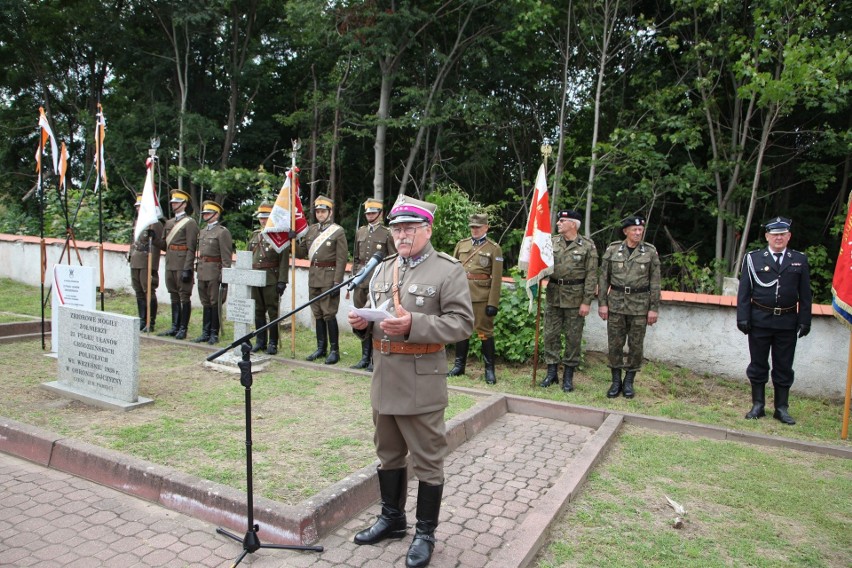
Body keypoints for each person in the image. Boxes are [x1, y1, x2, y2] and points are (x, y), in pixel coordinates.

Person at [347, 195, 473, 568]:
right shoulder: (385, 268)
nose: (401, 236)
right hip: (385, 378)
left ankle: (425, 534)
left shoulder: (447, 270)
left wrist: (415, 324)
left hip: (421, 380)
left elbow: (462, 323)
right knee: (387, 453)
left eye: (409, 229)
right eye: (397, 229)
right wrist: (362, 326)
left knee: (428, 460)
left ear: (427, 230)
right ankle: (393, 519)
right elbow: (378, 317)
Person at [736, 216, 812, 425]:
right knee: (758, 364)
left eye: (782, 235)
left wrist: (805, 320)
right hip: (759, 320)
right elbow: (744, 291)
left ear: (789, 236)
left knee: (784, 366)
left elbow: (805, 294)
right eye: (774, 235)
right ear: (767, 236)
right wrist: (743, 317)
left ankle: (781, 408)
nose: (778, 238)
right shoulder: (754, 259)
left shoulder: (799, 259)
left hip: (787, 322)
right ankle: (758, 405)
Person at [598, 215, 661, 399]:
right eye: (634, 230)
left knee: (636, 346)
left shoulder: (649, 252)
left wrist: (653, 308)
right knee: (615, 344)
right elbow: (603, 279)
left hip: (640, 306)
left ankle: (629, 381)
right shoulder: (613, 250)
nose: (638, 233)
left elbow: (655, 282)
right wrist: (603, 303)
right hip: (616, 304)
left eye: (640, 230)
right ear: (626, 231)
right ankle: (616, 380)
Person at [540, 210, 598, 392]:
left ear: (573, 224)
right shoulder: (551, 242)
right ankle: (551, 373)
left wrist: (587, 301)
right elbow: (541, 264)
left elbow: (591, 276)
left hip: (575, 297)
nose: (558, 223)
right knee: (550, 335)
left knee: (573, 338)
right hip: (554, 294)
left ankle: (568, 377)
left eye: (562, 220)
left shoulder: (587, 246)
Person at [447, 213, 503, 384]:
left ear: (486, 227)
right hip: (461, 295)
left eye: (478, 227)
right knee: (461, 330)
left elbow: (497, 277)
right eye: (472, 227)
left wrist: (493, 302)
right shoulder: (461, 244)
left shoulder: (494, 248)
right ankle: (459, 366)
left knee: (484, 333)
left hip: (481, 297)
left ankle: (489, 370)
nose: (475, 230)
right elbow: (452, 271)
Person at [296, 194, 348, 364]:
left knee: (329, 314)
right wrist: (293, 239)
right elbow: (302, 253)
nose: (320, 214)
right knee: (317, 313)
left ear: (330, 212)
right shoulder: (311, 230)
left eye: (323, 211)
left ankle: (334, 350)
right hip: (314, 277)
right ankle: (321, 348)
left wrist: (337, 282)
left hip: (329, 277)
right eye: (317, 211)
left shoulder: (337, 231)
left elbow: (341, 259)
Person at [350, 198, 396, 371]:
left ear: (380, 213)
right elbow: (356, 257)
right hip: (361, 281)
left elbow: (393, 259)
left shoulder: (387, 233)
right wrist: (355, 275)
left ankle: (374, 359)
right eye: (367, 213)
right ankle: (364, 357)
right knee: (361, 318)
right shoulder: (360, 232)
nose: (369, 215)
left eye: (373, 212)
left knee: (375, 320)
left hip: (378, 283)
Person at [156, 189, 199, 340]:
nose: (174, 205)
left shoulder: (190, 223)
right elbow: (164, 246)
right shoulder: (168, 223)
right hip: (170, 263)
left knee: (184, 296)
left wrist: (188, 268)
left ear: (184, 204)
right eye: (173, 202)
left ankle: (183, 328)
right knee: (173, 296)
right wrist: (154, 238)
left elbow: (191, 247)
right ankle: (174, 326)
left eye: (177, 202)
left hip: (182, 264)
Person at [248, 202, 289, 355]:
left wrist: (282, 280)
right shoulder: (255, 235)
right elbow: (248, 256)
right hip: (255, 278)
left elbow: (284, 260)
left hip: (271, 279)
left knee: (272, 312)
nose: (263, 221)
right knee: (258, 311)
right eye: (261, 218)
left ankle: (272, 343)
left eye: (266, 217)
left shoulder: (278, 236)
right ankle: (260, 341)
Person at [192, 200, 233, 345]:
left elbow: (226, 256)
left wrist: (225, 275)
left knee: (215, 302)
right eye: (204, 213)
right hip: (202, 270)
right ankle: (205, 332)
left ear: (216, 215)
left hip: (215, 271)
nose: (205, 215)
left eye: (208, 213)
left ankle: (214, 333)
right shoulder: (203, 232)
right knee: (205, 302)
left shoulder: (222, 232)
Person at [129, 194, 164, 333]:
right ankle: (142, 320)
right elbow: (133, 241)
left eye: (140, 206)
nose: (138, 209)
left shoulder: (154, 223)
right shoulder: (137, 222)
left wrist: (153, 264)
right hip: (136, 259)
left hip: (147, 260)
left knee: (148, 290)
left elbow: (160, 244)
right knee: (138, 290)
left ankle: (151, 321)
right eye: (136, 206)